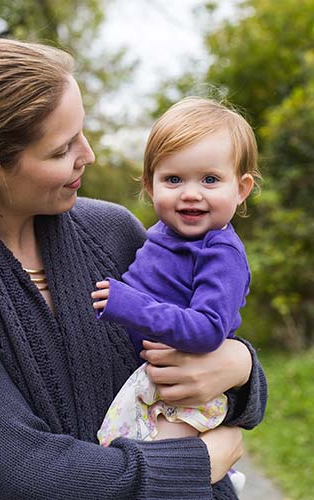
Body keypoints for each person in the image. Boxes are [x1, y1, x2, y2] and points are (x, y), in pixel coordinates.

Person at [0, 38, 267, 500]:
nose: (88, 155)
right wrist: (197, 463)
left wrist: (243, 367)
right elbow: (18, 474)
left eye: (83, 133)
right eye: (62, 149)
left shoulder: (113, 229)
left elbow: (190, 349)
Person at [91, 97, 260, 490]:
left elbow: (208, 329)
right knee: (115, 453)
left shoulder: (220, 253)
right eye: (174, 180)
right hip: (152, 382)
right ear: (149, 185)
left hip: (183, 396)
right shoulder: (158, 234)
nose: (190, 194)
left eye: (210, 180)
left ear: (242, 188)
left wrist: (133, 308)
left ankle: (223, 481)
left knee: (165, 476)